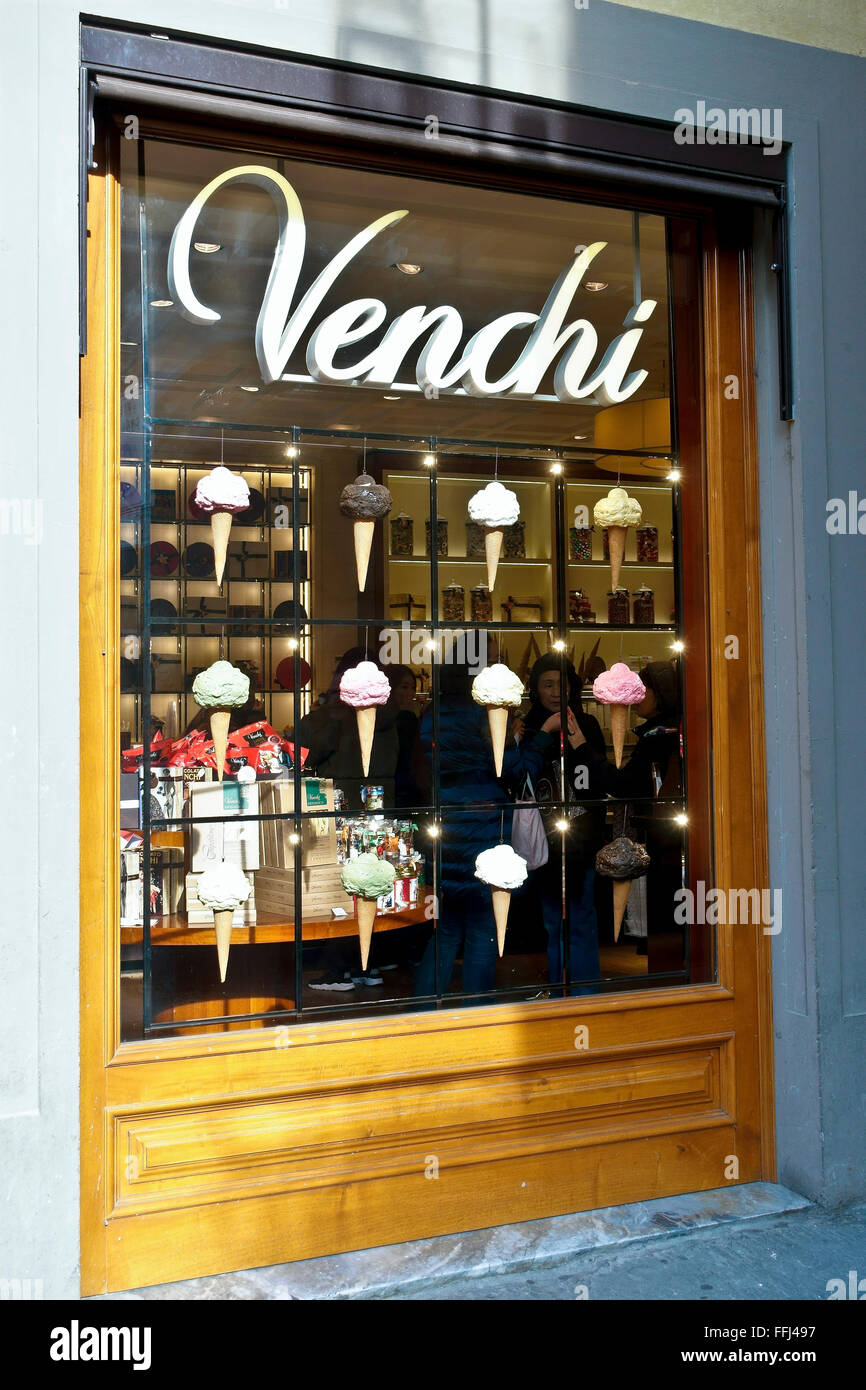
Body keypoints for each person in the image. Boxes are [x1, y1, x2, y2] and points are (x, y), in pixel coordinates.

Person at [413, 649, 545, 1003]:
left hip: (447, 826)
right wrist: (536, 739)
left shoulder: (432, 714)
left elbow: (425, 770)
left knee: (446, 928)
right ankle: (477, 1009)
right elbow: (518, 771)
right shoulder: (488, 713)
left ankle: (423, 1006)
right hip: (486, 827)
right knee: (484, 928)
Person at [521, 654, 607, 995]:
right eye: (548, 684)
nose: (556, 692)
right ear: (536, 689)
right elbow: (520, 776)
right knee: (552, 920)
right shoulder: (527, 727)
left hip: (580, 840)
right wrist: (542, 736)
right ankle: (559, 990)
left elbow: (598, 782)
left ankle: (585, 994)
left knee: (581, 918)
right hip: (542, 840)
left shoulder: (589, 725)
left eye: (563, 684)